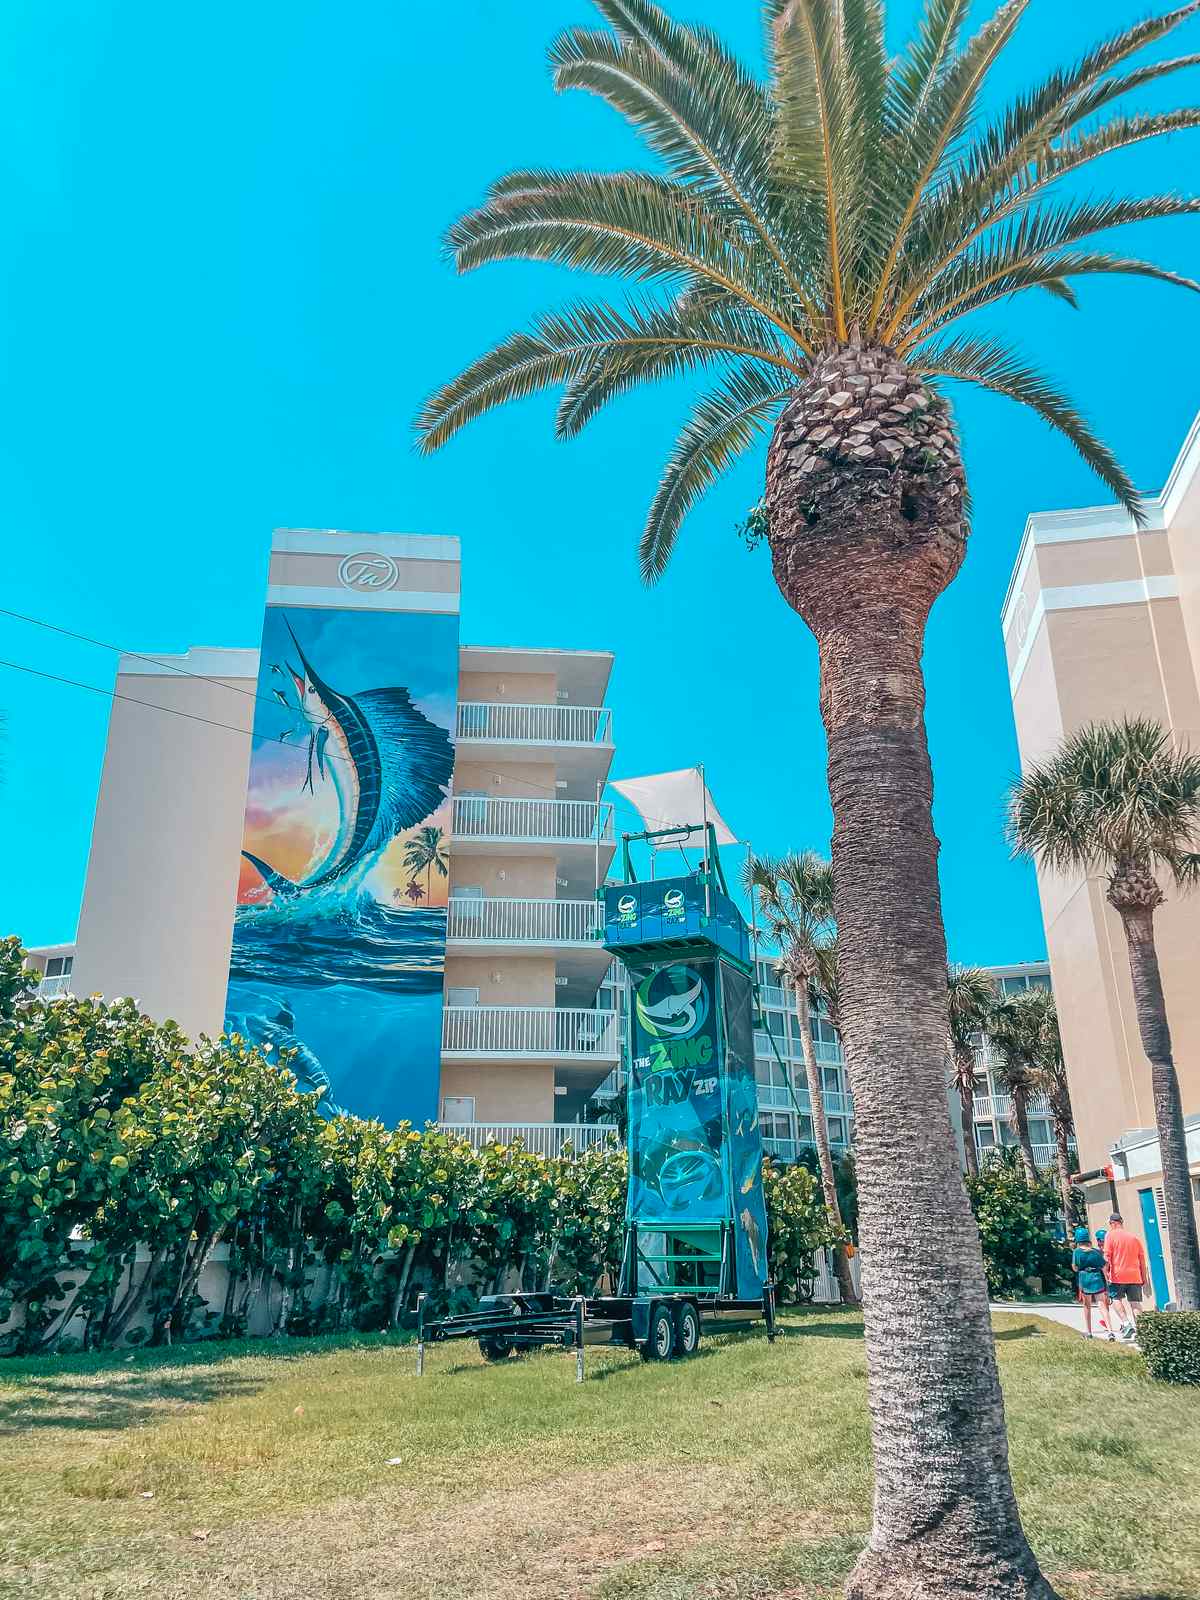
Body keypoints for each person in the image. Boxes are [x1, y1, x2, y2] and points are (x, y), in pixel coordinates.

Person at [1102, 1212, 1152, 1341]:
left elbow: (1107, 1257)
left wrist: (1105, 1273)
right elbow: (1142, 1259)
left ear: (1112, 1223)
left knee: (1116, 1299)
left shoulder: (1110, 1235)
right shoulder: (1133, 1238)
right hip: (1135, 1276)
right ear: (1121, 1222)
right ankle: (1141, 1331)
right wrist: (1144, 1278)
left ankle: (1126, 1323)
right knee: (1135, 1303)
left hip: (1117, 1275)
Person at [1071, 1226, 1111, 1341]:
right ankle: (1110, 1331)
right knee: (1102, 1305)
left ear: (1077, 1240)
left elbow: (1075, 1267)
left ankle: (1089, 1332)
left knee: (1087, 1306)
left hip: (1084, 1279)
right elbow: (1104, 1265)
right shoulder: (1096, 1252)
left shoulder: (1077, 1252)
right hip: (1097, 1278)